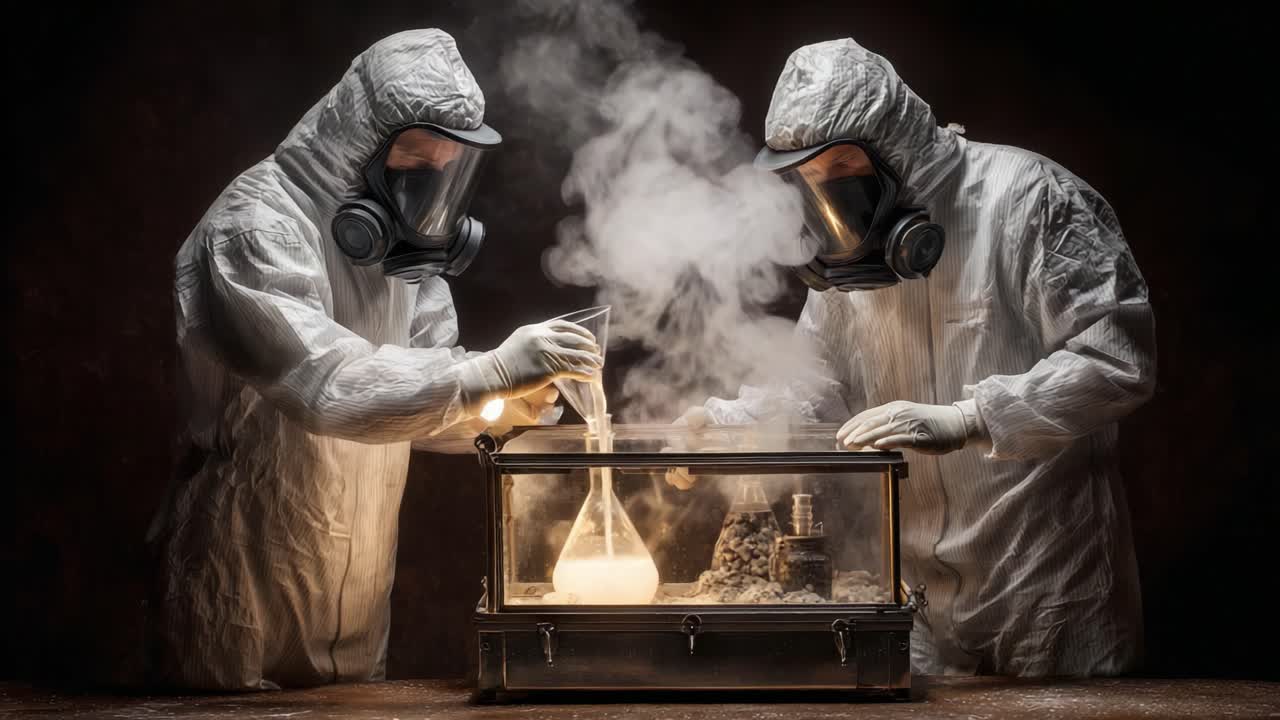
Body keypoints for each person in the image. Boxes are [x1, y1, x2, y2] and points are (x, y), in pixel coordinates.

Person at [670, 38, 1156, 677]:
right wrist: (730, 425)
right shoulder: (850, 257)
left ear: (892, 144)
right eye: (810, 178)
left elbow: (1116, 360)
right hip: (915, 596)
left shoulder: (1032, 199)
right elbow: (816, 384)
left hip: (1050, 585)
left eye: (843, 169)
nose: (829, 194)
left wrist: (971, 417)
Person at [144, 29, 602, 691]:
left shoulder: (400, 262)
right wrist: (486, 373)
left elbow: (413, 402)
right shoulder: (254, 228)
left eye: (446, 174)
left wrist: (506, 407)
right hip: (237, 616)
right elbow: (325, 383)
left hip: (354, 624)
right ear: (359, 143)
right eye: (415, 168)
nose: (428, 195)